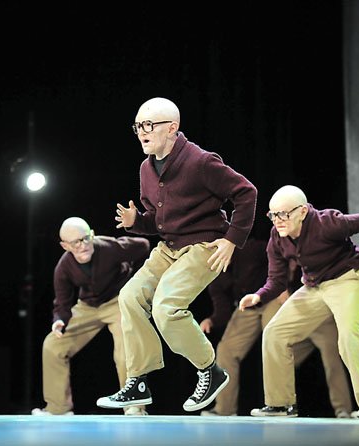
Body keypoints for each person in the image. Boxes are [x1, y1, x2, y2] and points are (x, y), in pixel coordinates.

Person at [96, 97, 258, 413]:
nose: (142, 132)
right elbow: (159, 221)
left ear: (172, 128)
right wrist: (136, 222)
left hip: (204, 246)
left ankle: (211, 370)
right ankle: (139, 380)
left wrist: (231, 241)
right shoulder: (146, 168)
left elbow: (246, 193)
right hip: (168, 248)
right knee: (129, 297)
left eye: (149, 125)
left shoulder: (200, 161)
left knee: (166, 308)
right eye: (138, 126)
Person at [244, 185, 359, 418]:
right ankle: (281, 404)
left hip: (346, 279)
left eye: (283, 214)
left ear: (302, 211)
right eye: (273, 215)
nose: (278, 220)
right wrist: (259, 295)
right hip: (314, 287)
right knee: (275, 333)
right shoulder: (277, 237)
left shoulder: (327, 222)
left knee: (349, 335)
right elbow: (277, 280)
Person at [199, 237, 353, 418]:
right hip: (248, 306)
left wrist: (284, 285)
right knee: (226, 350)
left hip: (271, 297)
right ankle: (224, 409)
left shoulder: (250, 248)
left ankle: (330, 408)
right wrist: (212, 320)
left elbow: (284, 255)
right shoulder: (214, 273)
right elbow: (222, 307)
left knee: (275, 341)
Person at [31, 217, 150, 416]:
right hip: (88, 307)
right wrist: (59, 320)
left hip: (118, 301)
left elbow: (143, 245)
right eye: (75, 243)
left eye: (85, 239)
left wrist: (132, 277)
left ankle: (134, 406)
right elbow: (62, 302)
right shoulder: (63, 267)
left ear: (92, 235)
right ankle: (58, 408)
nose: (82, 246)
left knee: (126, 346)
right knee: (52, 345)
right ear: (65, 245)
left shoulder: (108, 247)